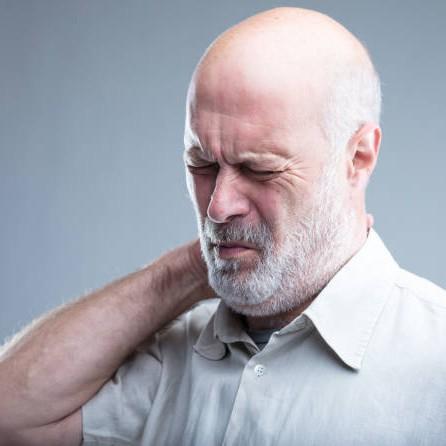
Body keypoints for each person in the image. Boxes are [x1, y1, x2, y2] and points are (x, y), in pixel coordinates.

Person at [1, 7, 445, 446]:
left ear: (358, 158)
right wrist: (183, 274)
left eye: (259, 169)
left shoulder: (434, 363)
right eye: (202, 164)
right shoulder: (166, 354)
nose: (217, 208)